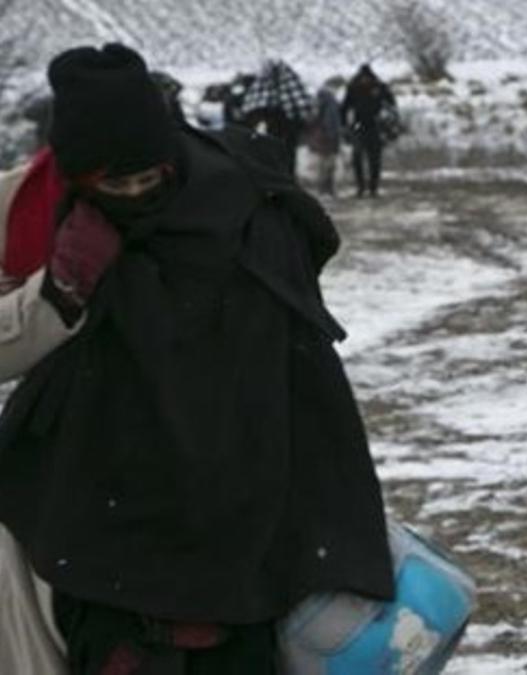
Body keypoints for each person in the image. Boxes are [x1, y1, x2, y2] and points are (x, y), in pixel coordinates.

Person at [0, 43, 394, 673]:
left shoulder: (241, 212)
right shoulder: (29, 219)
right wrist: (56, 296)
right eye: (113, 185)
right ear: (77, 178)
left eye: (145, 179)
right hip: (94, 516)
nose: (133, 194)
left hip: (240, 519)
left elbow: (298, 365)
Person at [341, 64, 396, 198]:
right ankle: (361, 187)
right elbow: (344, 107)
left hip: (375, 126)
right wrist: (344, 126)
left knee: (374, 159)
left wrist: (388, 123)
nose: (365, 81)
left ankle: (373, 187)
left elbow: (391, 104)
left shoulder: (378, 86)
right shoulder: (353, 87)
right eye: (363, 78)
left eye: (366, 78)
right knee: (357, 158)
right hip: (359, 126)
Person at [309, 79, 343, 198]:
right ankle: (327, 188)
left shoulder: (316, 102)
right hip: (329, 136)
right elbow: (332, 122)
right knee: (329, 163)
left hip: (320, 136)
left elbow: (312, 120)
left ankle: (323, 189)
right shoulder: (331, 102)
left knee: (323, 163)